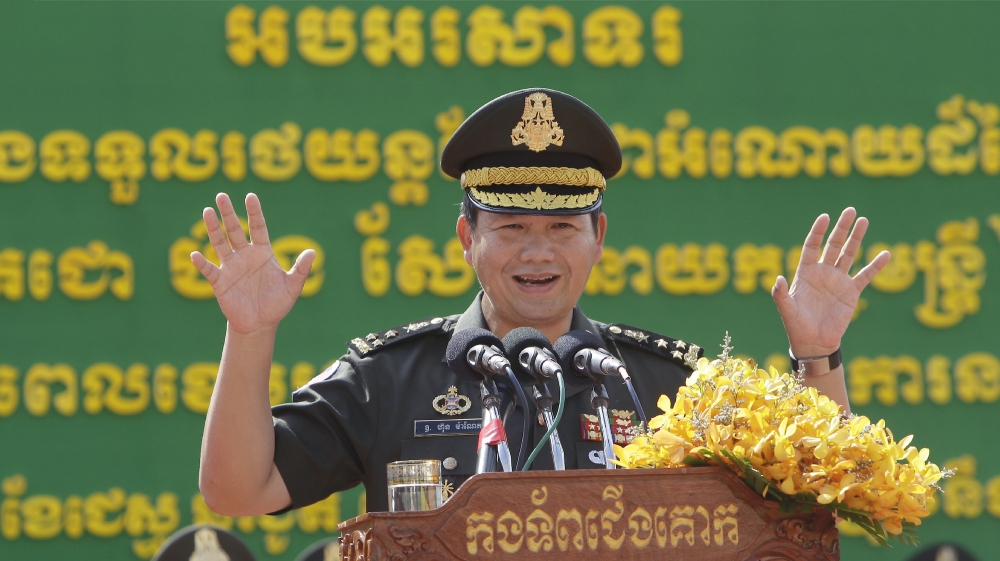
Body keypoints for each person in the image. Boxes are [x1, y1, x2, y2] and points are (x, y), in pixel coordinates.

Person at [195, 89, 889, 516]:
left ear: (598, 238)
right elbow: (239, 490)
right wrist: (249, 334)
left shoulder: (661, 383)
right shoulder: (389, 377)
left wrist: (817, 355)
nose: (538, 252)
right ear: (467, 239)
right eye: (511, 228)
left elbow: (815, 497)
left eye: (561, 228)